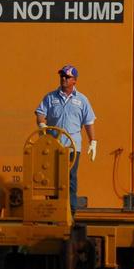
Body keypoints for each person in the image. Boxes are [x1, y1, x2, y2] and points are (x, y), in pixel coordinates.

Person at [34, 64, 97, 214]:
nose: (63, 79)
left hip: (72, 147)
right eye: (62, 76)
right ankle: (53, 209)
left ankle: (71, 210)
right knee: (52, 178)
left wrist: (93, 142)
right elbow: (40, 113)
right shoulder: (50, 97)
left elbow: (89, 122)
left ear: (74, 80)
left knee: (70, 178)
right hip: (53, 146)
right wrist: (42, 124)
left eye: (67, 77)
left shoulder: (82, 100)